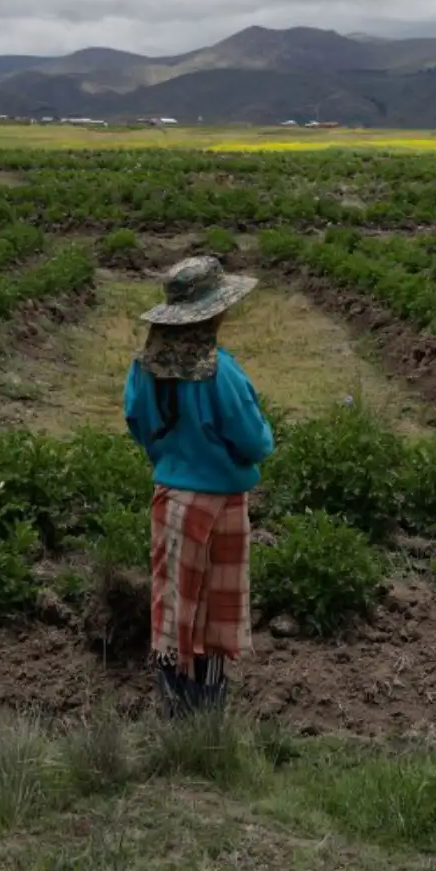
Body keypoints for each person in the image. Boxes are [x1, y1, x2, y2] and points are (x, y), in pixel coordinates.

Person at [123, 256, 276, 715]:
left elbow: (137, 421)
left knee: (172, 607)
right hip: (219, 507)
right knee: (211, 619)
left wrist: (170, 456)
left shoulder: (144, 367)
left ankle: (173, 711)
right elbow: (254, 442)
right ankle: (207, 720)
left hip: (170, 501)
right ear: (214, 312)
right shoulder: (220, 371)